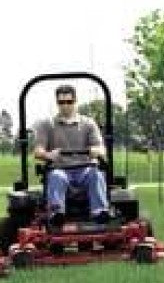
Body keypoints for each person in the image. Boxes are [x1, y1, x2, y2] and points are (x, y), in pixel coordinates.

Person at [33, 84, 111, 226]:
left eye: (69, 102)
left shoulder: (88, 123)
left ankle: (100, 212)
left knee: (96, 174)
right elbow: (38, 151)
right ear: (57, 103)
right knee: (57, 176)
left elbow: (102, 149)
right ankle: (57, 213)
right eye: (61, 102)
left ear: (75, 102)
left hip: (85, 169)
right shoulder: (47, 124)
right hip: (60, 169)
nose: (65, 106)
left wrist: (95, 151)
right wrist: (48, 154)